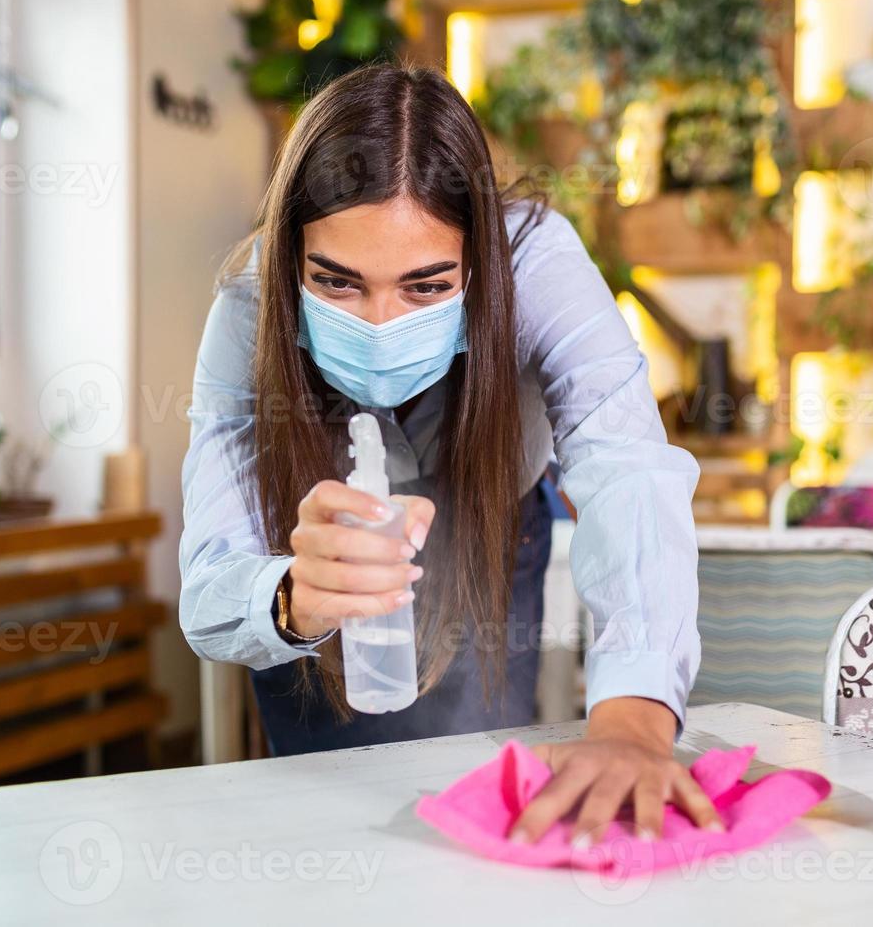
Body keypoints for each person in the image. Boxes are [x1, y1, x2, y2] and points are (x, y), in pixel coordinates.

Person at [179, 64, 716, 844]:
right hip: (318, 562)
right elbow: (211, 580)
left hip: (493, 540)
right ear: (294, 256)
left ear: (478, 261)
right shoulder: (248, 305)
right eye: (336, 282)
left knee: (478, 806)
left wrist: (632, 722)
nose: (379, 322)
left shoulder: (535, 262)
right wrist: (295, 595)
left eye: (426, 287)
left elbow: (626, 464)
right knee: (329, 826)